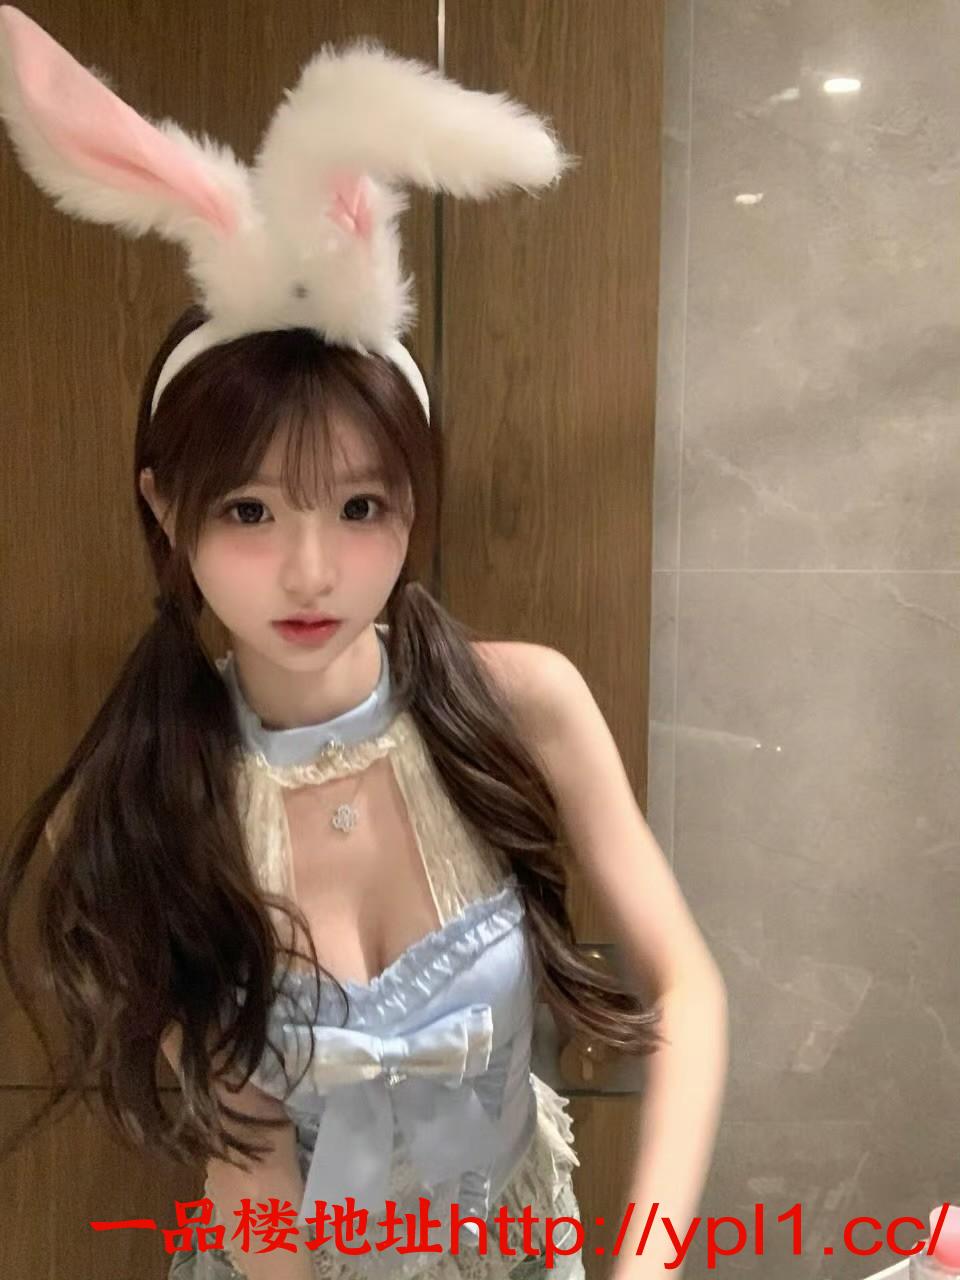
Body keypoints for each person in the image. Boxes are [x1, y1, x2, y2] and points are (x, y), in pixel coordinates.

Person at [0, 9, 728, 1280]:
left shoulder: (523, 705)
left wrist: (646, 1268)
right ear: (165, 506)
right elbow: (250, 1169)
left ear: (414, 501)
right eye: (248, 510)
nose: (311, 570)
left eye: (359, 506)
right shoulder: (142, 802)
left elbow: (688, 988)